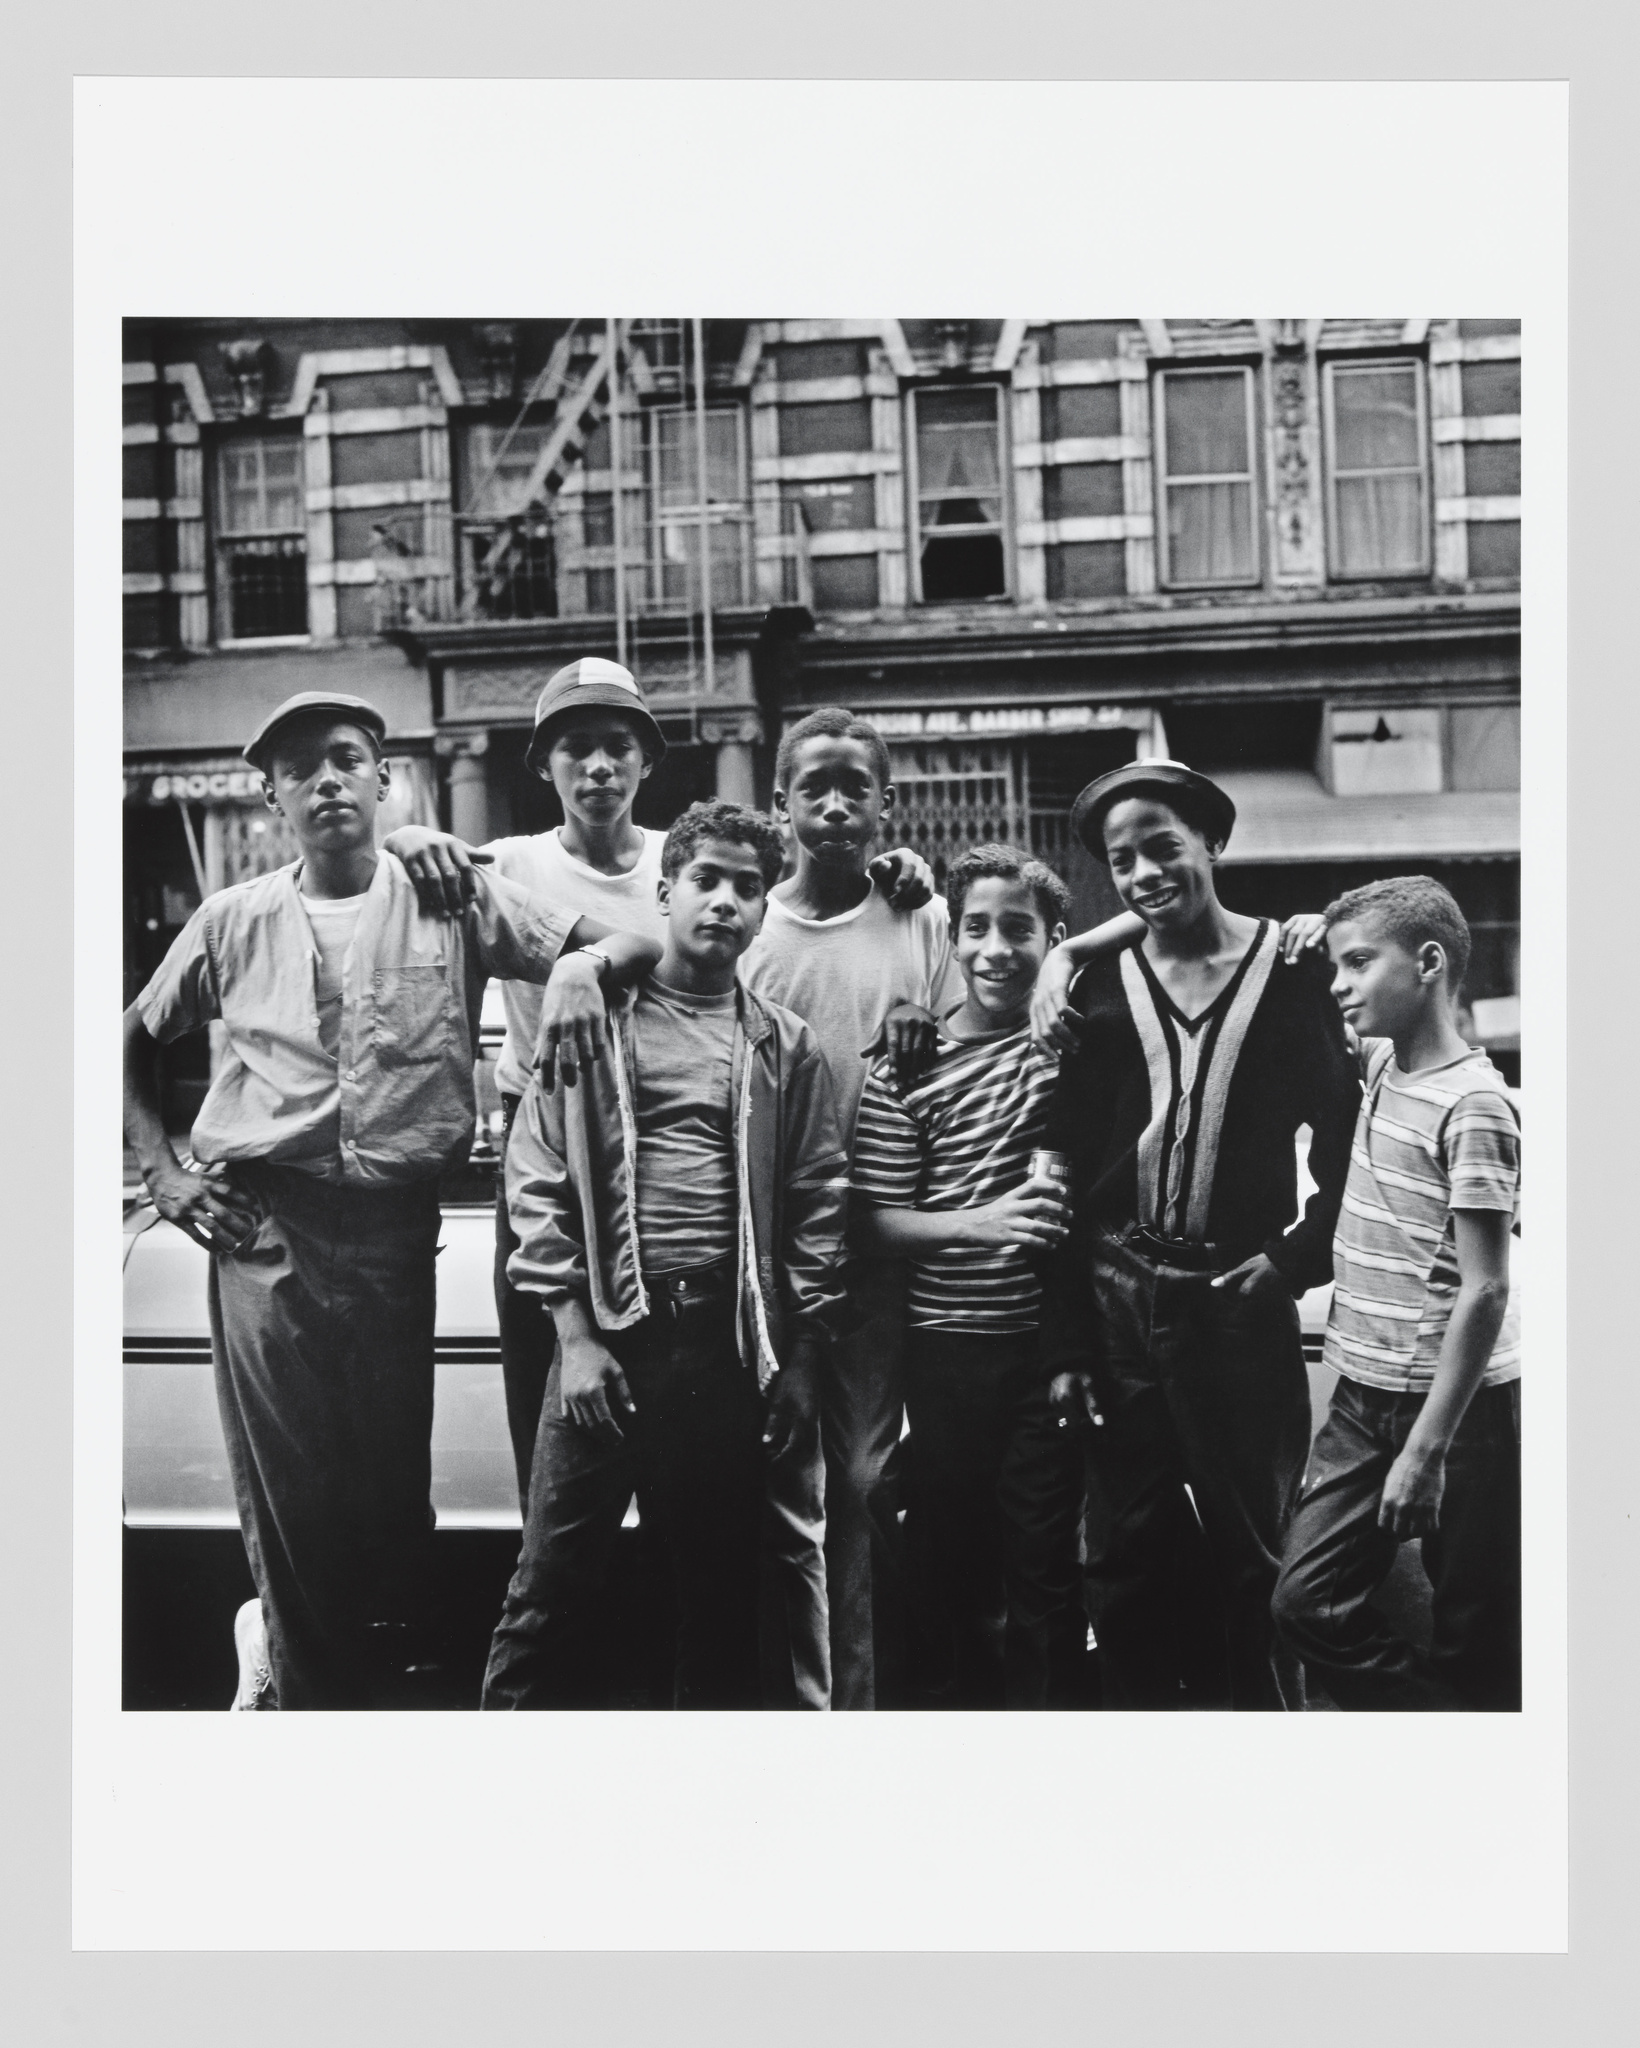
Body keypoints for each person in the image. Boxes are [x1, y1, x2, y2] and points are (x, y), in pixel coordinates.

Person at [122, 692, 661, 1710]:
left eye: (347, 759)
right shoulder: (230, 919)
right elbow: (130, 1037)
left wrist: (582, 966)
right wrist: (165, 1174)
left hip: (395, 1221)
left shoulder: (450, 894)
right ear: (273, 796)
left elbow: (632, 948)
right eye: (300, 768)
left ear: (384, 779)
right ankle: (311, 1703)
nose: (326, 780)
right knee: (290, 1490)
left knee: (384, 1489)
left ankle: (315, 1664)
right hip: (264, 1225)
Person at [481, 803, 850, 1709]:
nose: (724, 902)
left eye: (747, 887)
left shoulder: (781, 1044)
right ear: (664, 891)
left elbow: (816, 1203)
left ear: (766, 910)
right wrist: (573, 1334)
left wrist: (800, 1359)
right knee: (549, 1590)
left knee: (718, 1597)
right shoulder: (598, 1019)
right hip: (612, 1339)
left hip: (722, 1352)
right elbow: (535, 1178)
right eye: (705, 880)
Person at [1037, 759, 1361, 1711]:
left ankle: (1267, 1755)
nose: (1142, 874)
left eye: (1162, 848)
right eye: (1121, 859)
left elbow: (1348, 1144)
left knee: (1257, 1551)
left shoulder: (1295, 972)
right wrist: (1067, 1341)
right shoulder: (1096, 987)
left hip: (1236, 1302)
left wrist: (1294, 1260)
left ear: (1212, 843)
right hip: (1117, 1291)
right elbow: (1061, 1172)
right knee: (1123, 1554)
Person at [739, 706, 965, 1712]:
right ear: (778, 802)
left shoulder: (921, 915)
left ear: (884, 803)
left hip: (878, 1245)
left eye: (856, 786)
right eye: (812, 785)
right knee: (775, 1492)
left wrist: (932, 1025)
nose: (834, 802)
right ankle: (790, 1705)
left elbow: (962, 1064)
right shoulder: (747, 921)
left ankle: (855, 1706)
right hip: (764, 1249)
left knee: (864, 1484)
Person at [1272, 878, 1522, 1710]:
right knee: (1305, 1601)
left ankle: (1469, 1755)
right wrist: (1314, 940)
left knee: (1476, 1624)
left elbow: (1486, 1290)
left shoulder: (1477, 1103)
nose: (1339, 983)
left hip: (1460, 1410)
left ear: (1428, 962)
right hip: (1360, 1391)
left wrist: (1427, 1449)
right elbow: (1312, 980)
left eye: (1358, 964)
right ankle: (1439, 1724)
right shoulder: (1380, 1062)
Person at [851, 844, 1087, 1707]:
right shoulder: (908, 1066)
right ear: (950, 939)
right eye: (976, 929)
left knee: (1045, 1563)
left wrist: (1077, 962)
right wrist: (978, 1224)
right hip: (946, 1349)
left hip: (1048, 1349)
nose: (995, 950)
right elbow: (869, 1223)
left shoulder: (1073, 1044)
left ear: (1054, 941)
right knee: (950, 1559)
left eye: (1020, 931)